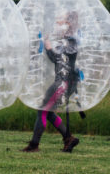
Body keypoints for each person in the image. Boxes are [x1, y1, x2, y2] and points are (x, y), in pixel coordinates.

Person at [23, 11, 80, 153]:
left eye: (60, 19)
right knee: (47, 111)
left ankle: (34, 145)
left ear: (68, 23)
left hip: (63, 83)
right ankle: (68, 138)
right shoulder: (66, 40)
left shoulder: (71, 39)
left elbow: (64, 56)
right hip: (62, 82)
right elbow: (58, 59)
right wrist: (48, 45)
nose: (56, 22)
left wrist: (51, 43)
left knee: (42, 110)